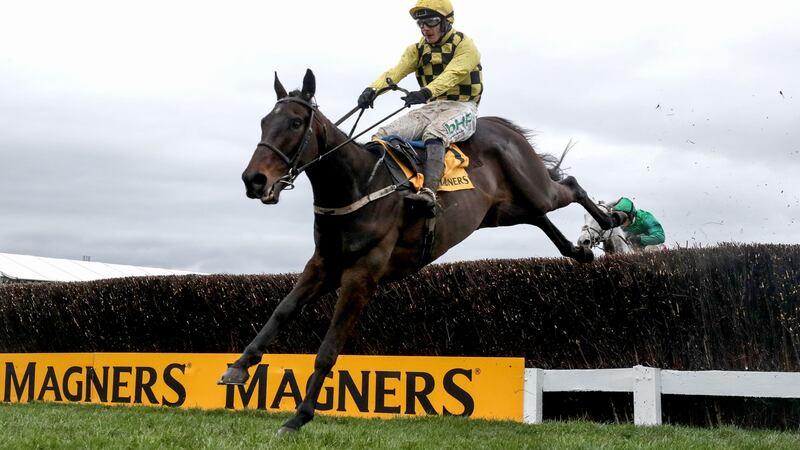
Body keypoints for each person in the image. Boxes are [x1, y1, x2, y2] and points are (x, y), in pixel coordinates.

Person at [356, 0, 483, 217]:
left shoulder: (465, 45)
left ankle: (429, 193)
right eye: (420, 23)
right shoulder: (417, 49)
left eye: (431, 22)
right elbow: (395, 72)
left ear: (446, 22)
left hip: (462, 107)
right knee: (382, 136)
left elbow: (453, 74)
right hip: (432, 106)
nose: (425, 28)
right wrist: (372, 90)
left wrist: (425, 92)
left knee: (435, 133)